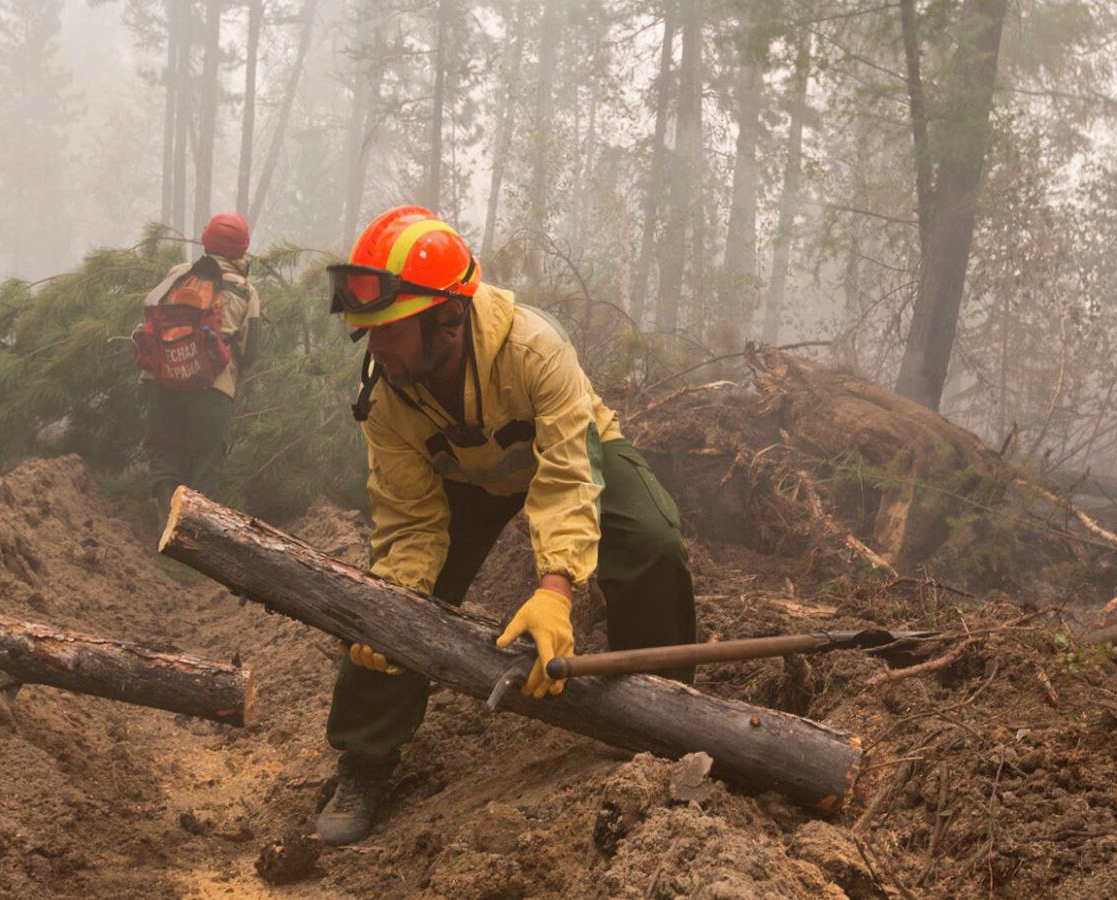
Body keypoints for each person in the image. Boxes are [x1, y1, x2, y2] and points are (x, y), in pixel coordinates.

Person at [316, 206, 697, 845]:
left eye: (387, 331)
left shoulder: (535, 349)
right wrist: (397, 602)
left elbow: (569, 476)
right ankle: (365, 760)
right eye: (366, 331)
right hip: (465, 477)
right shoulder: (385, 395)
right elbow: (410, 519)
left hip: (569, 448)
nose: (373, 346)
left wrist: (555, 590)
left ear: (446, 318)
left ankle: (667, 724)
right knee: (392, 604)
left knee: (654, 546)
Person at [138, 212, 261, 529]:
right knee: (207, 462)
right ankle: (194, 536)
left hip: (160, 379)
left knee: (164, 452)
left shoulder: (177, 274)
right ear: (242, 249)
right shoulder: (246, 291)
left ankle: (164, 516)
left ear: (207, 241)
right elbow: (252, 353)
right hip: (212, 386)